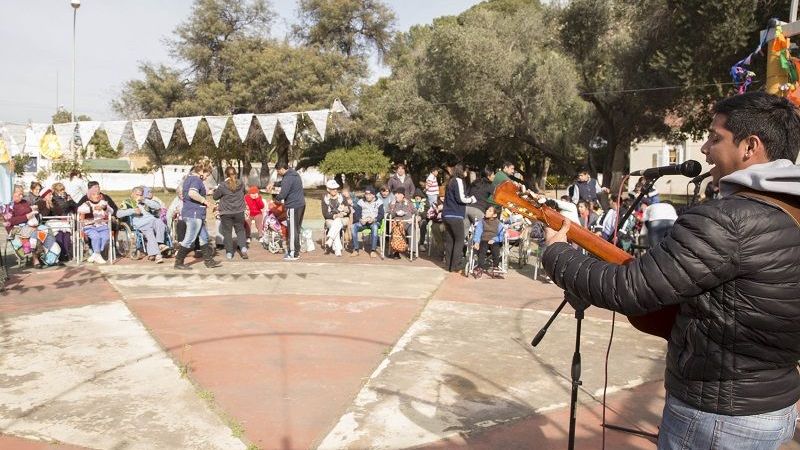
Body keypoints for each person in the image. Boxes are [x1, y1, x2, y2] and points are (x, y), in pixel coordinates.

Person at [542, 92, 800, 450]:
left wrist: (556, 253)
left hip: (718, 416)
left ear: (749, 146)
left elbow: (629, 288)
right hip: (775, 405)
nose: (705, 149)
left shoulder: (729, 221)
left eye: (715, 137)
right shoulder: (789, 210)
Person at [174, 162, 221, 270]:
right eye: (207, 174)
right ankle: (178, 262)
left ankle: (209, 261)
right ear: (201, 171)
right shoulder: (196, 180)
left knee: (204, 238)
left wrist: (208, 192)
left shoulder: (189, 178)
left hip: (195, 213)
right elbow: (192, 193)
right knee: (189, 239)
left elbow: (192, 193)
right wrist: (206, 202)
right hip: (194, 214)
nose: (206, 177)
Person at [117, 187, 169, 263]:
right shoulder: (127, 202)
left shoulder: (145, 201)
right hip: (141, 224)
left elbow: (158, 206)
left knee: (160, 222)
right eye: (137, 194)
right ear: (132, 194)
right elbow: (118, 214)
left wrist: (144, 200)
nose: (139, 196)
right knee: (150, 233)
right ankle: (157, 255)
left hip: (152, 220)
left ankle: (160, 244)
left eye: (140, 195)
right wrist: (132, 211)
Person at [443, 163, 477, 272]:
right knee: (459, 240)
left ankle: (448, 265)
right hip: (455, 215)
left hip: (446, 214)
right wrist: (471, 199)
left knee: (450, 241)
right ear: (461, 171)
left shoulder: (451, 181)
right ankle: (455, 266)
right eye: (466, 171)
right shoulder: (458, 181)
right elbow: (461, 199)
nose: (467, 173)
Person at [270, 161, 305, 261]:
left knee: (292, 230)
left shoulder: (288, 178)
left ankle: (293, 253)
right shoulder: (293, 174)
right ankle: (296, 251)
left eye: (278, 171)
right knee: (296, 229)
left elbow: (283, 194)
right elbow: (284, 183)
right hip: (301, 204)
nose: (278, 173)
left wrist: (275, 197)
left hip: (293, 205)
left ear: (281, 169)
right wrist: (274, 183)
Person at [213, 166, 249, 260]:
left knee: (227, 232)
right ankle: (243, 248)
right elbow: (244, 192)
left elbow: (215, 197)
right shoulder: (241, 183)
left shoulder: (222, 185)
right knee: (240, 230)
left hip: (226, 212)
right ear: (236, 174)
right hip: (239, 211)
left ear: (226, 174)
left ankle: (229, 253)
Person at [76, 186, 114, 264]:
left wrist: (104, 208)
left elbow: (111, 211)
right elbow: (79, 210)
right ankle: (98, 254)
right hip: (89, 226)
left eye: (98, 194)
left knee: (106, 237)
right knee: (96, 237)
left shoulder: (103, 203)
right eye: (94, 194)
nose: (96, 196)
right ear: (90, 196)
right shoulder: (86, 203)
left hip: (102, 225)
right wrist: (93, 208)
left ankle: (96, 253)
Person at [471, 205, 506, 278]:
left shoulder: (498, 223)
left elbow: (501, 236)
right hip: (484, 239)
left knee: (496, 251)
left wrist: (494, 239)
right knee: (482, 251)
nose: (486, 211)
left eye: (490, 211)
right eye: (487, 210)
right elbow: (478, 232)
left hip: (494, 240)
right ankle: (480, 267)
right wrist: (477, 242)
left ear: (495, 214)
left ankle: (495, 267)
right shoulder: (481, 222)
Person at [352, 186, 383, 258]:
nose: (367, 196)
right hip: (363, 221)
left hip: (374, 221)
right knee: (353, 226)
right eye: (366, 194)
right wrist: (360, 219)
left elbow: (381, 215)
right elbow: (357, 214)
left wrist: (374, 219)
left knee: (375, 227)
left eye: (369, 194)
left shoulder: (379, 202)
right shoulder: (360, 202)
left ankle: (373, 250)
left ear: (373, 195)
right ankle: (356, 249)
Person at [321, 179, 350, 257]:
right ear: (328, 189)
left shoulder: (342, 197)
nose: (335, 190)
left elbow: (348, 210)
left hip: (343, 219)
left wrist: (346, 210)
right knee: (336, 223)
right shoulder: (325, 198)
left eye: (336, 188)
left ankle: (330, 240)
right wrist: (335, 215)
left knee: (337, 221)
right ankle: (337, 249)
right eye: (333, 189)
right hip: (330, 219)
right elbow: (325, 214)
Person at [386, 187, 416, 259]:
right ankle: (396, 251)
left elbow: (415, 212)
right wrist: (395, 214)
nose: (396, 195)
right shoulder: (392, 204)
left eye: (398, 193)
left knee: (412, 229)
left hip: (408, 223)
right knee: (397, 229)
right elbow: (387, 215)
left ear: (403, 195)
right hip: (397, 224)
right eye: (395, 193)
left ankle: (412, 251)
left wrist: (414, 218)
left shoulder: (409, 203)